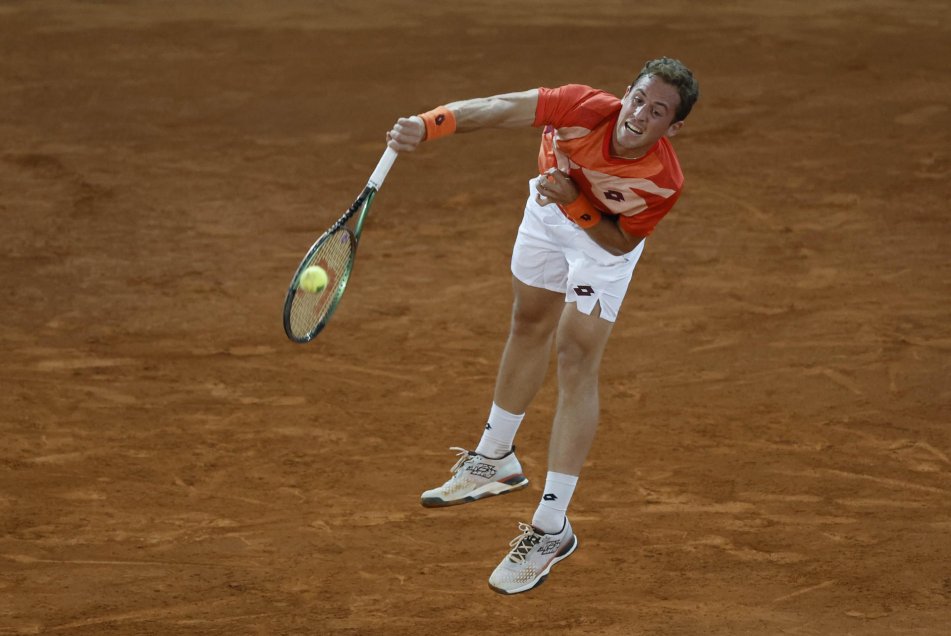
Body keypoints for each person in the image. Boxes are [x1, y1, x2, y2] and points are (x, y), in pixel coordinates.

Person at [386, 57, 700, 595]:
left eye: (658, 112)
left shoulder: (662, 180)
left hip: (600, 243)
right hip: (547, 211)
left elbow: (621, 242)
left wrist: (576, 202)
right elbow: (500, 108)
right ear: (626, 93)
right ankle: (495, 459)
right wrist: (430, 122)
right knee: (528, 321)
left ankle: (552, 528)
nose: (640, 114)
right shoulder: (581, 106)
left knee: (575, 358)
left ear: (672, 128)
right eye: (639, 98)